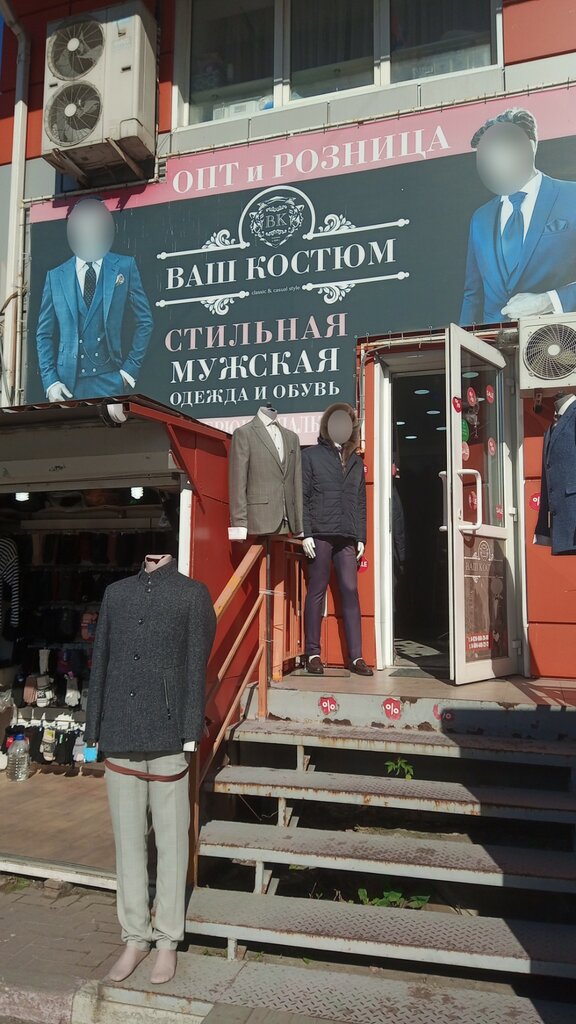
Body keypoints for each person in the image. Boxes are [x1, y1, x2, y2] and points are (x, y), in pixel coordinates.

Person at [459, 107, 576, 325]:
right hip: (495, 344)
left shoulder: (572, 196)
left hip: (560, 339)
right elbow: (473, 296)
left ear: (531, 146)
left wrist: (548, 301)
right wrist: (465, 344)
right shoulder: (480, 218)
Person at [36, 197, 153, 402]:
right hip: (67, 385)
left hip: (111, 379)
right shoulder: (55, 276)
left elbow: (145, 322)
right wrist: (51, 381)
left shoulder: (124, 266)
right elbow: (44, 334)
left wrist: (128, 371)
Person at [301, 403, 373, 677]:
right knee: (317, 590)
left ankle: (356, 657)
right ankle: (313, 653)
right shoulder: (311, 456)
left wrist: (361, 537)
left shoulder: (356, 461)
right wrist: (306, 533)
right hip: (320, 533)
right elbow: (303, 497)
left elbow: (361, 502)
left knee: (350, 591)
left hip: (347, 535)